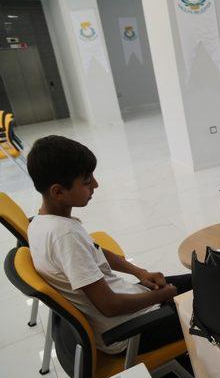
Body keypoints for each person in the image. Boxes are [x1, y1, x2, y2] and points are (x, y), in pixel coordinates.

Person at [26, 136, 191, 355]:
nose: (95, 184)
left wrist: (139, 272)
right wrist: (163, 295)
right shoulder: (64, 236)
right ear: (58, 192)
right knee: (218, 301)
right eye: (86, 182)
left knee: (204, 279)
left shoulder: (41, 222)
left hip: (133, 304)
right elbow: (110, 306)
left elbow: (95, 251)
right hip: (132, 331)